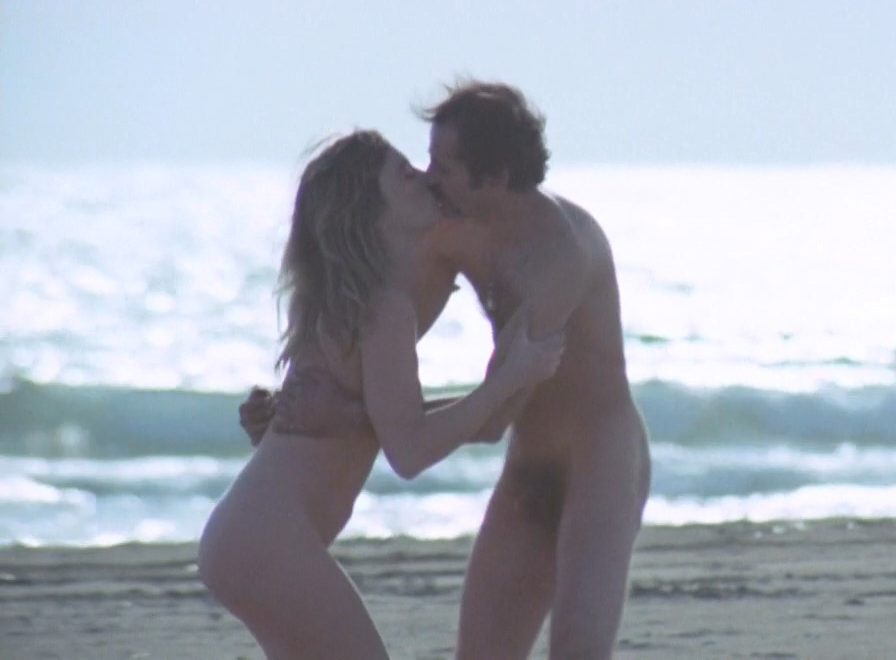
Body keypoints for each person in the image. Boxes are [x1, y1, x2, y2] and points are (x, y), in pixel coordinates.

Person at [245, 81, 652, 659]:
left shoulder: (559, 258)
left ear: (495, 177)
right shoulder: (452, 233)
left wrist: (345, 414)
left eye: (444, 166)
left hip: (601, 464)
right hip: (527, 464)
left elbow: (492, 416)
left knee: (578, 651)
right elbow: (363, 325)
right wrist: (296, 406)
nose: (428, 176)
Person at [201, 130, 564, 660]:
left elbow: (406, 423)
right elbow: (409, 450)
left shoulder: (350, 301)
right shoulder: (384, 309)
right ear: (371, 208)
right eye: (404, 174)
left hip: (241, 538)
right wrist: (511, 377)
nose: (423, 179)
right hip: (266, 542)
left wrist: (498, 394)